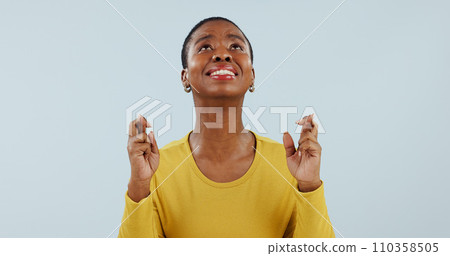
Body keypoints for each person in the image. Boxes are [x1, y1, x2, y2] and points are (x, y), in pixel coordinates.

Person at [118, 17, 335, 238]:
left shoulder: (290, 165)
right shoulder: (156, 168)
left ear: (251, 76)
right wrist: (139, 185)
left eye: (236, 46)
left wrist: (309, 185)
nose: (222, 54)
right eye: (205, 47)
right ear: (185, 77)